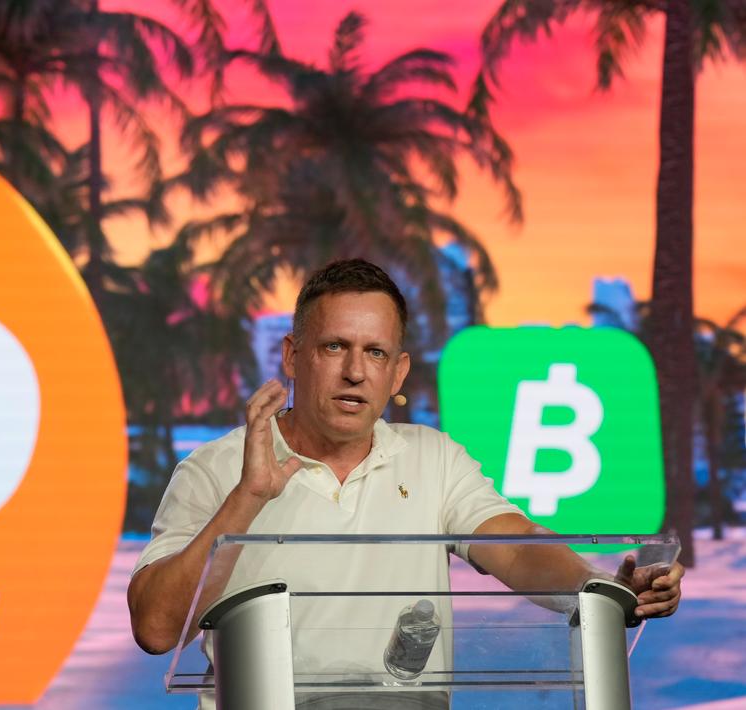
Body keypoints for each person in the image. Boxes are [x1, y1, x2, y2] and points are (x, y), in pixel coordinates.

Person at [126, 259, 683, 708]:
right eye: (334, 346)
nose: (355, 371)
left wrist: (600, 586)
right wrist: (247, 497)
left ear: (397, 372)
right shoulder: (215, 468)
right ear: (293, 356)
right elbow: (155, 629)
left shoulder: (433, 458)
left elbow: (516, 546)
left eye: (375, 352)